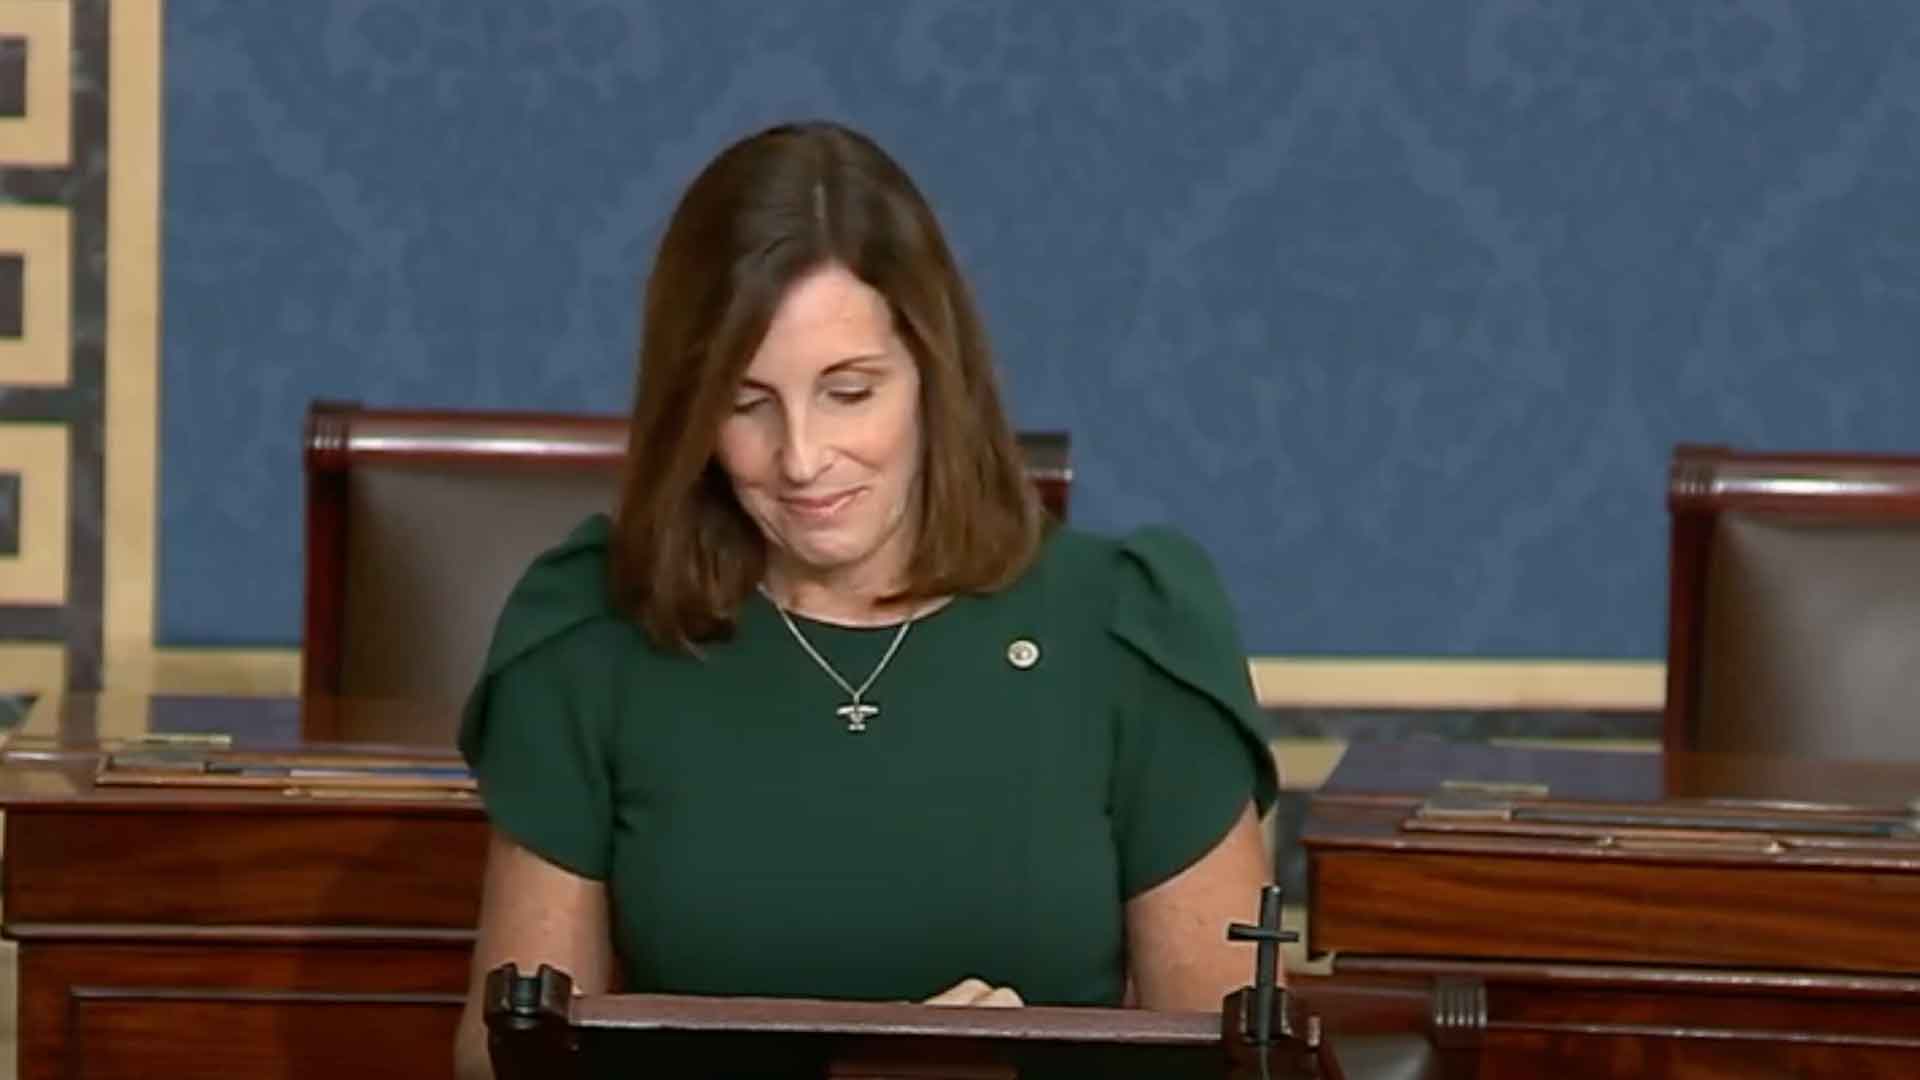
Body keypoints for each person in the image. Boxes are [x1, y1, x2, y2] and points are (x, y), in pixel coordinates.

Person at [452, 120, 1278, 1077]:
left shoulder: (1129, 629)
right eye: (747, 402)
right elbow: (499, 1064)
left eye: (849, 392)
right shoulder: (593, 636)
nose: (801, 459)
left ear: (936, 375)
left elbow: (1229, 1064)